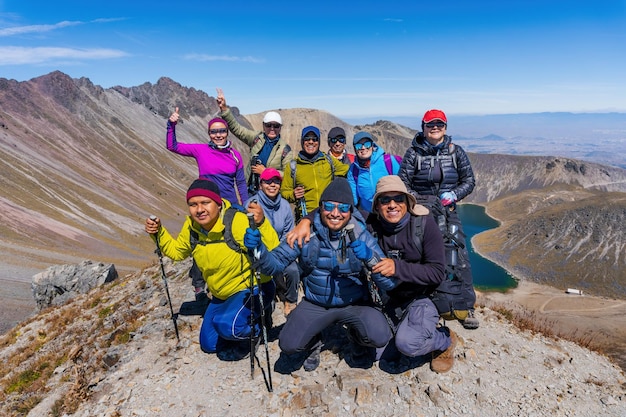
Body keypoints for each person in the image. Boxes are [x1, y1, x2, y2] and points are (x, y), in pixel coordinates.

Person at [287, 176, 458, 373]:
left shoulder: (424, 225)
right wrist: (306, 221)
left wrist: (397, 267)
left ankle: (445, 340)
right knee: (376, 353)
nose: (392, 205)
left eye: (398, 199)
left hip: (417, 298)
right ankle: (399, 329)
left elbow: (437, 272)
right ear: (377, 205)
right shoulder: (370, 223)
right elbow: (337, 208)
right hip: (386, 300)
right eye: (385, 200)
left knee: (408, 344)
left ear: (407, 202)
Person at [244, 177, 397, 371]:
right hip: (316, 302)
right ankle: (314, 341)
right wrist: (258, 249)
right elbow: (273, 266)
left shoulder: (361, 235)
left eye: (342, 208)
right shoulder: (306, 233)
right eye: (329, 206)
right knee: (289, 344)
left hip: (355, 303)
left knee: (380, 335)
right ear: (320, 207)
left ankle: (356, 339)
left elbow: (389, 283)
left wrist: (370, 259)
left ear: (351, 211)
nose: (335, 213)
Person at [145, 178, 279, 355]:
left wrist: (261, 224)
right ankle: (237, 319)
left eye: (205, 203)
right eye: (193, 204)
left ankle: (257, 328)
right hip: (220, 295)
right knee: (210, 345)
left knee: (229, 328)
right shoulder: (192, 228)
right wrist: (159, 232)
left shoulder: (236, 221)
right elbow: (177, 252)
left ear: (217, 203)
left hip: (251, 288)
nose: (199, 210)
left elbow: (274, 251)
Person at [398, 109, 479, 330]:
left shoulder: (456, 152)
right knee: (419, 253)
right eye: (430, 124)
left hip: (447, 209)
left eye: (439, 124)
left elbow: (469, 180)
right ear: (423, 127)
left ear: (445, 127)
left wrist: (454, 194)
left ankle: (464, 304)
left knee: (457, 252)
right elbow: (403, 181)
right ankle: (425, 301)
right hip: (421, 211)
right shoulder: (413, 153)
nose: (435, 128)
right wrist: (414, 198)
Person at [166, 108, 249, 302]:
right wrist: (171, 124)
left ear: (227, 132)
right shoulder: (200, 150)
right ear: (209, 134)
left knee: (232, 244)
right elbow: (172, 146)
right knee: (201, 244)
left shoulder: (236, 156)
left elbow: (241, 183)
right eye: (214, 132)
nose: (218, 135)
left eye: (221, 131)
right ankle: (199, 286)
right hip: (207, 204)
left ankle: (233, 283)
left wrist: (244, 206)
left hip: (229, 206)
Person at [244, 168, 300, 317]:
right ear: (261, 184)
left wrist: (282, 252)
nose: (272, 185)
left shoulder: (285, 205)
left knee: (293, 270)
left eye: (276, 181)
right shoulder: (251, 205)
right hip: (260, 251)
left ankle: (291, 300)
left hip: (281, 250)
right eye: (268, 182)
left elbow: (289, 232)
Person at [216, 88, 293, 196]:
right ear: (263, 125)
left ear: (280, 128)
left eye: (276, 126)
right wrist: (224, 109)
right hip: (251, 191)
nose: (272, 128)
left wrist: (266, 172)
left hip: (271, 195)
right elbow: (237, 129)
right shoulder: (256, 138)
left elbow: (288, 175)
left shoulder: (285, 150)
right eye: (268, 125)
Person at [281, 126, 349, 221]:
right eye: (307, 139)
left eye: (314, 139)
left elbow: (349, 170)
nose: (311, 142)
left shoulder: (328, 161)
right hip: (306, 218)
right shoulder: (293, 166)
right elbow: (284, 192)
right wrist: (293, 194)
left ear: (319, 142)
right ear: (302, 141)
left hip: (328, 215)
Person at [347, 131, 401, 213]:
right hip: (369, 215)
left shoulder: (389, 161)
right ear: (355, 149)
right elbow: (353, 198)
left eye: (367, 144)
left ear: (372, 146)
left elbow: (404, 184)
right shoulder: (353, 170)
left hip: (391, 211)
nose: (363, 148)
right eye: (358, 146)